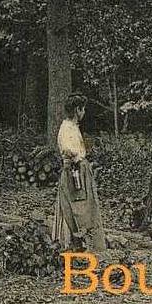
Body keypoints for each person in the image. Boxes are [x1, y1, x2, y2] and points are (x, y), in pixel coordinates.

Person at [52, 93, 107, 252]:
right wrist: (77, 157)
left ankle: (88, 243)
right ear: (77, 110)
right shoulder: (66, 127)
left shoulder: (73, 127)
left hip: (80, 170)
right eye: (83, 109)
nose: (84, 113)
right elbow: (68, 149)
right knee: (75, 205)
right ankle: (72, 242)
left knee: (87, 204)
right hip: (73, 172)